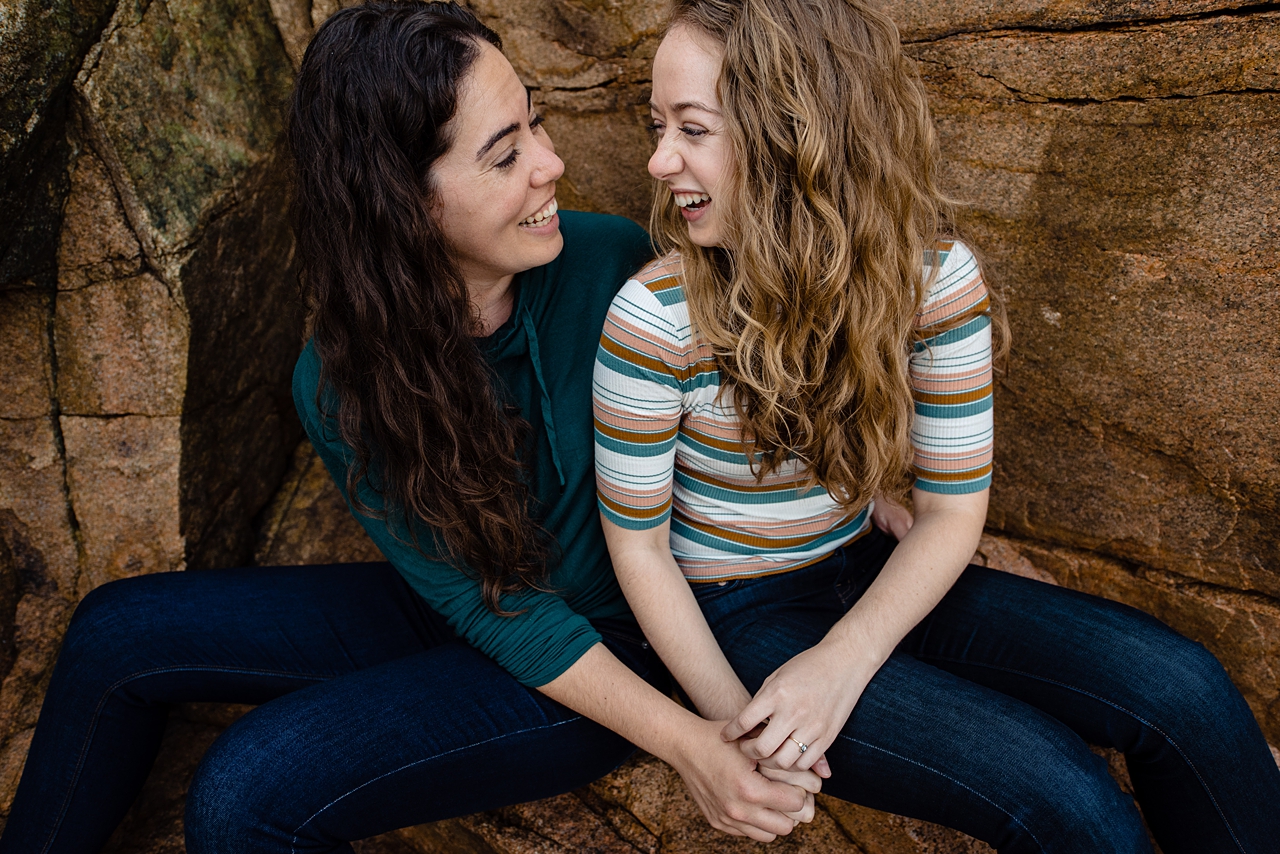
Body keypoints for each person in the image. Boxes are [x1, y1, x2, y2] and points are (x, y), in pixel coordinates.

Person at [0, 3, 822, 851]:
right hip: (476, 600)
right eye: (505, 155)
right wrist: (696, 751)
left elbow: (781, 362)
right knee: (115, 634)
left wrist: (863, 497)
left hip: (625, 644)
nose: (551, 163)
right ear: (403, 204)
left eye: (534, 122)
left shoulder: (615, 266)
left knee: (245, 791)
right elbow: (481, 602)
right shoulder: (341, 378)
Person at [592, 1, 1280, 852]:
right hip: (733, 613)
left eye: (693, 129)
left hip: (865, 566)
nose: (660, 161)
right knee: (1062, 792)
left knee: (1186, 689)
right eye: (658, 126)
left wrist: (844, 661)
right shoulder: (653, 318)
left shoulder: (933, 280)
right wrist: (742, 727)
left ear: (795, 134)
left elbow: (953, 511)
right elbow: (639, 549)